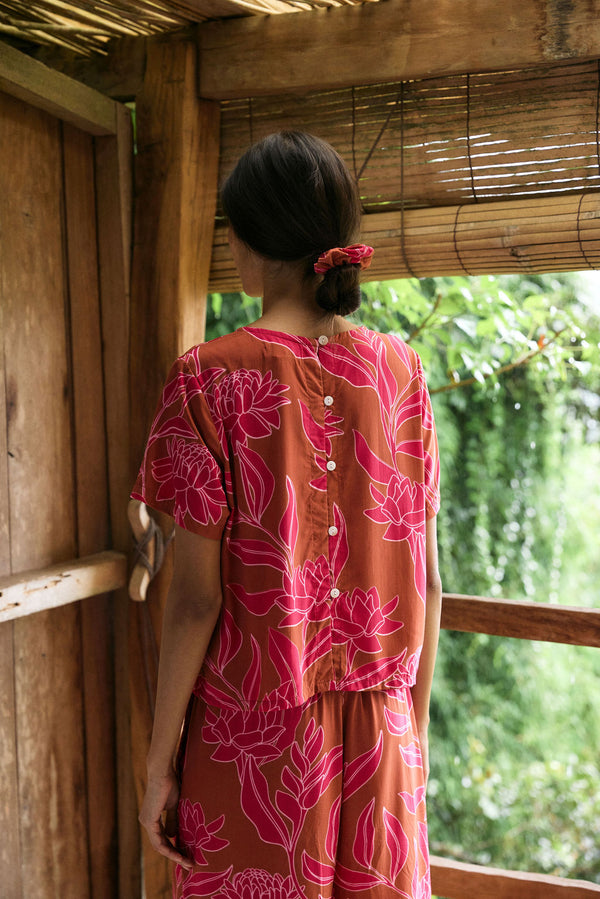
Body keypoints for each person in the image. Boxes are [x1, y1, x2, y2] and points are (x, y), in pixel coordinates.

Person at [132, 130, 442, 899]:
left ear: (246, 239)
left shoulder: (207, 380)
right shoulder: (401, 372)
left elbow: (198, 597)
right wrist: (416, 735)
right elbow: (429, 583)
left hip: (254, 751)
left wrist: (159, 760)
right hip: (386, 738)